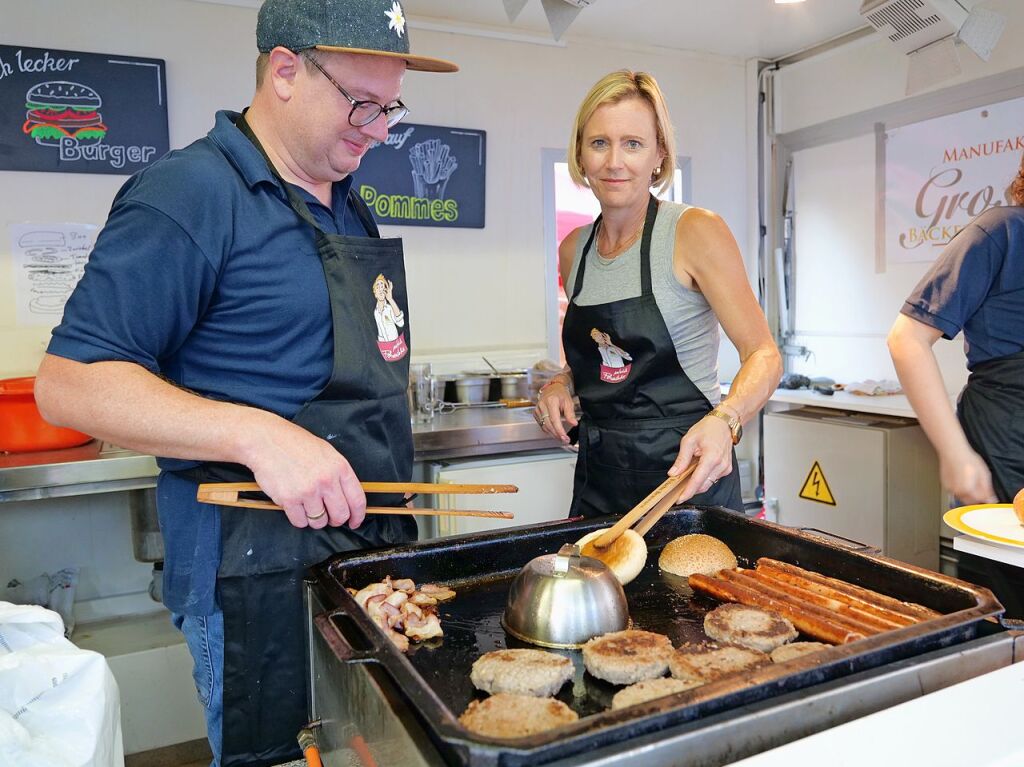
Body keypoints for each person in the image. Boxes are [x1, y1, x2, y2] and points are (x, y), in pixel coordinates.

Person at [33, 1, 457, 764]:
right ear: (284, 70)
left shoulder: (345, 200)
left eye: (389, 105)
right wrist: (256, 433)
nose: (379, 128)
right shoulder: (191, 191)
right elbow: (69, 383)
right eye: (361, 103)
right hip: (256, 578)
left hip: (365, 560)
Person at [535, 70, 781, 517]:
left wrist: (726, 421)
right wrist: (560, 382)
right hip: (600, 479)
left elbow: (764, 354)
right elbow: (600, 356)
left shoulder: (695, 232)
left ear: (659, 155)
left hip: (689, 475)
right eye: (599, 143)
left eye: (633, 143)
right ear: (580, 154)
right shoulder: (574, 252)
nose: (614, 162)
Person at [887, 152, 1024, 615]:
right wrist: (957, 454)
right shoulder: (1001, 232)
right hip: (1006, 438)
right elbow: (907, 340)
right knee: (1009, 606)